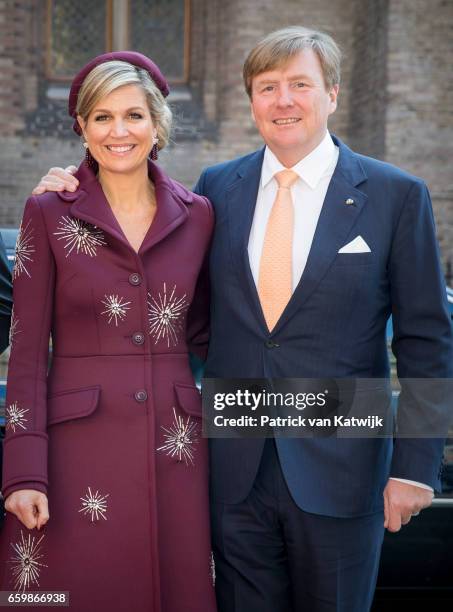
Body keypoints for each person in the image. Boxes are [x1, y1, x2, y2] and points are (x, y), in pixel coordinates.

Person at [33, 26, 453, 612]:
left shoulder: (395, 195)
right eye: (267, 86)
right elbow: (166, 298)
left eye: (299, 84)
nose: (283, 100)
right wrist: (71, 197)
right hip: (233, 468)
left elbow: (427, 338)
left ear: (331, 93)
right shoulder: (214, 193)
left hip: (343, 467)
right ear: (251, 99)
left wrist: (415, 468)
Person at [1, 51, 217, 612]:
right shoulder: (48, 211)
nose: (118, 131)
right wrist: (23, 471)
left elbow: (209, 333)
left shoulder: (199, 216)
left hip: (177, 452)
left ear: (157, 124)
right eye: (101, 116)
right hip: (75, 453)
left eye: (133, 115)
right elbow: (25, 353)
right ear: (82, 127)